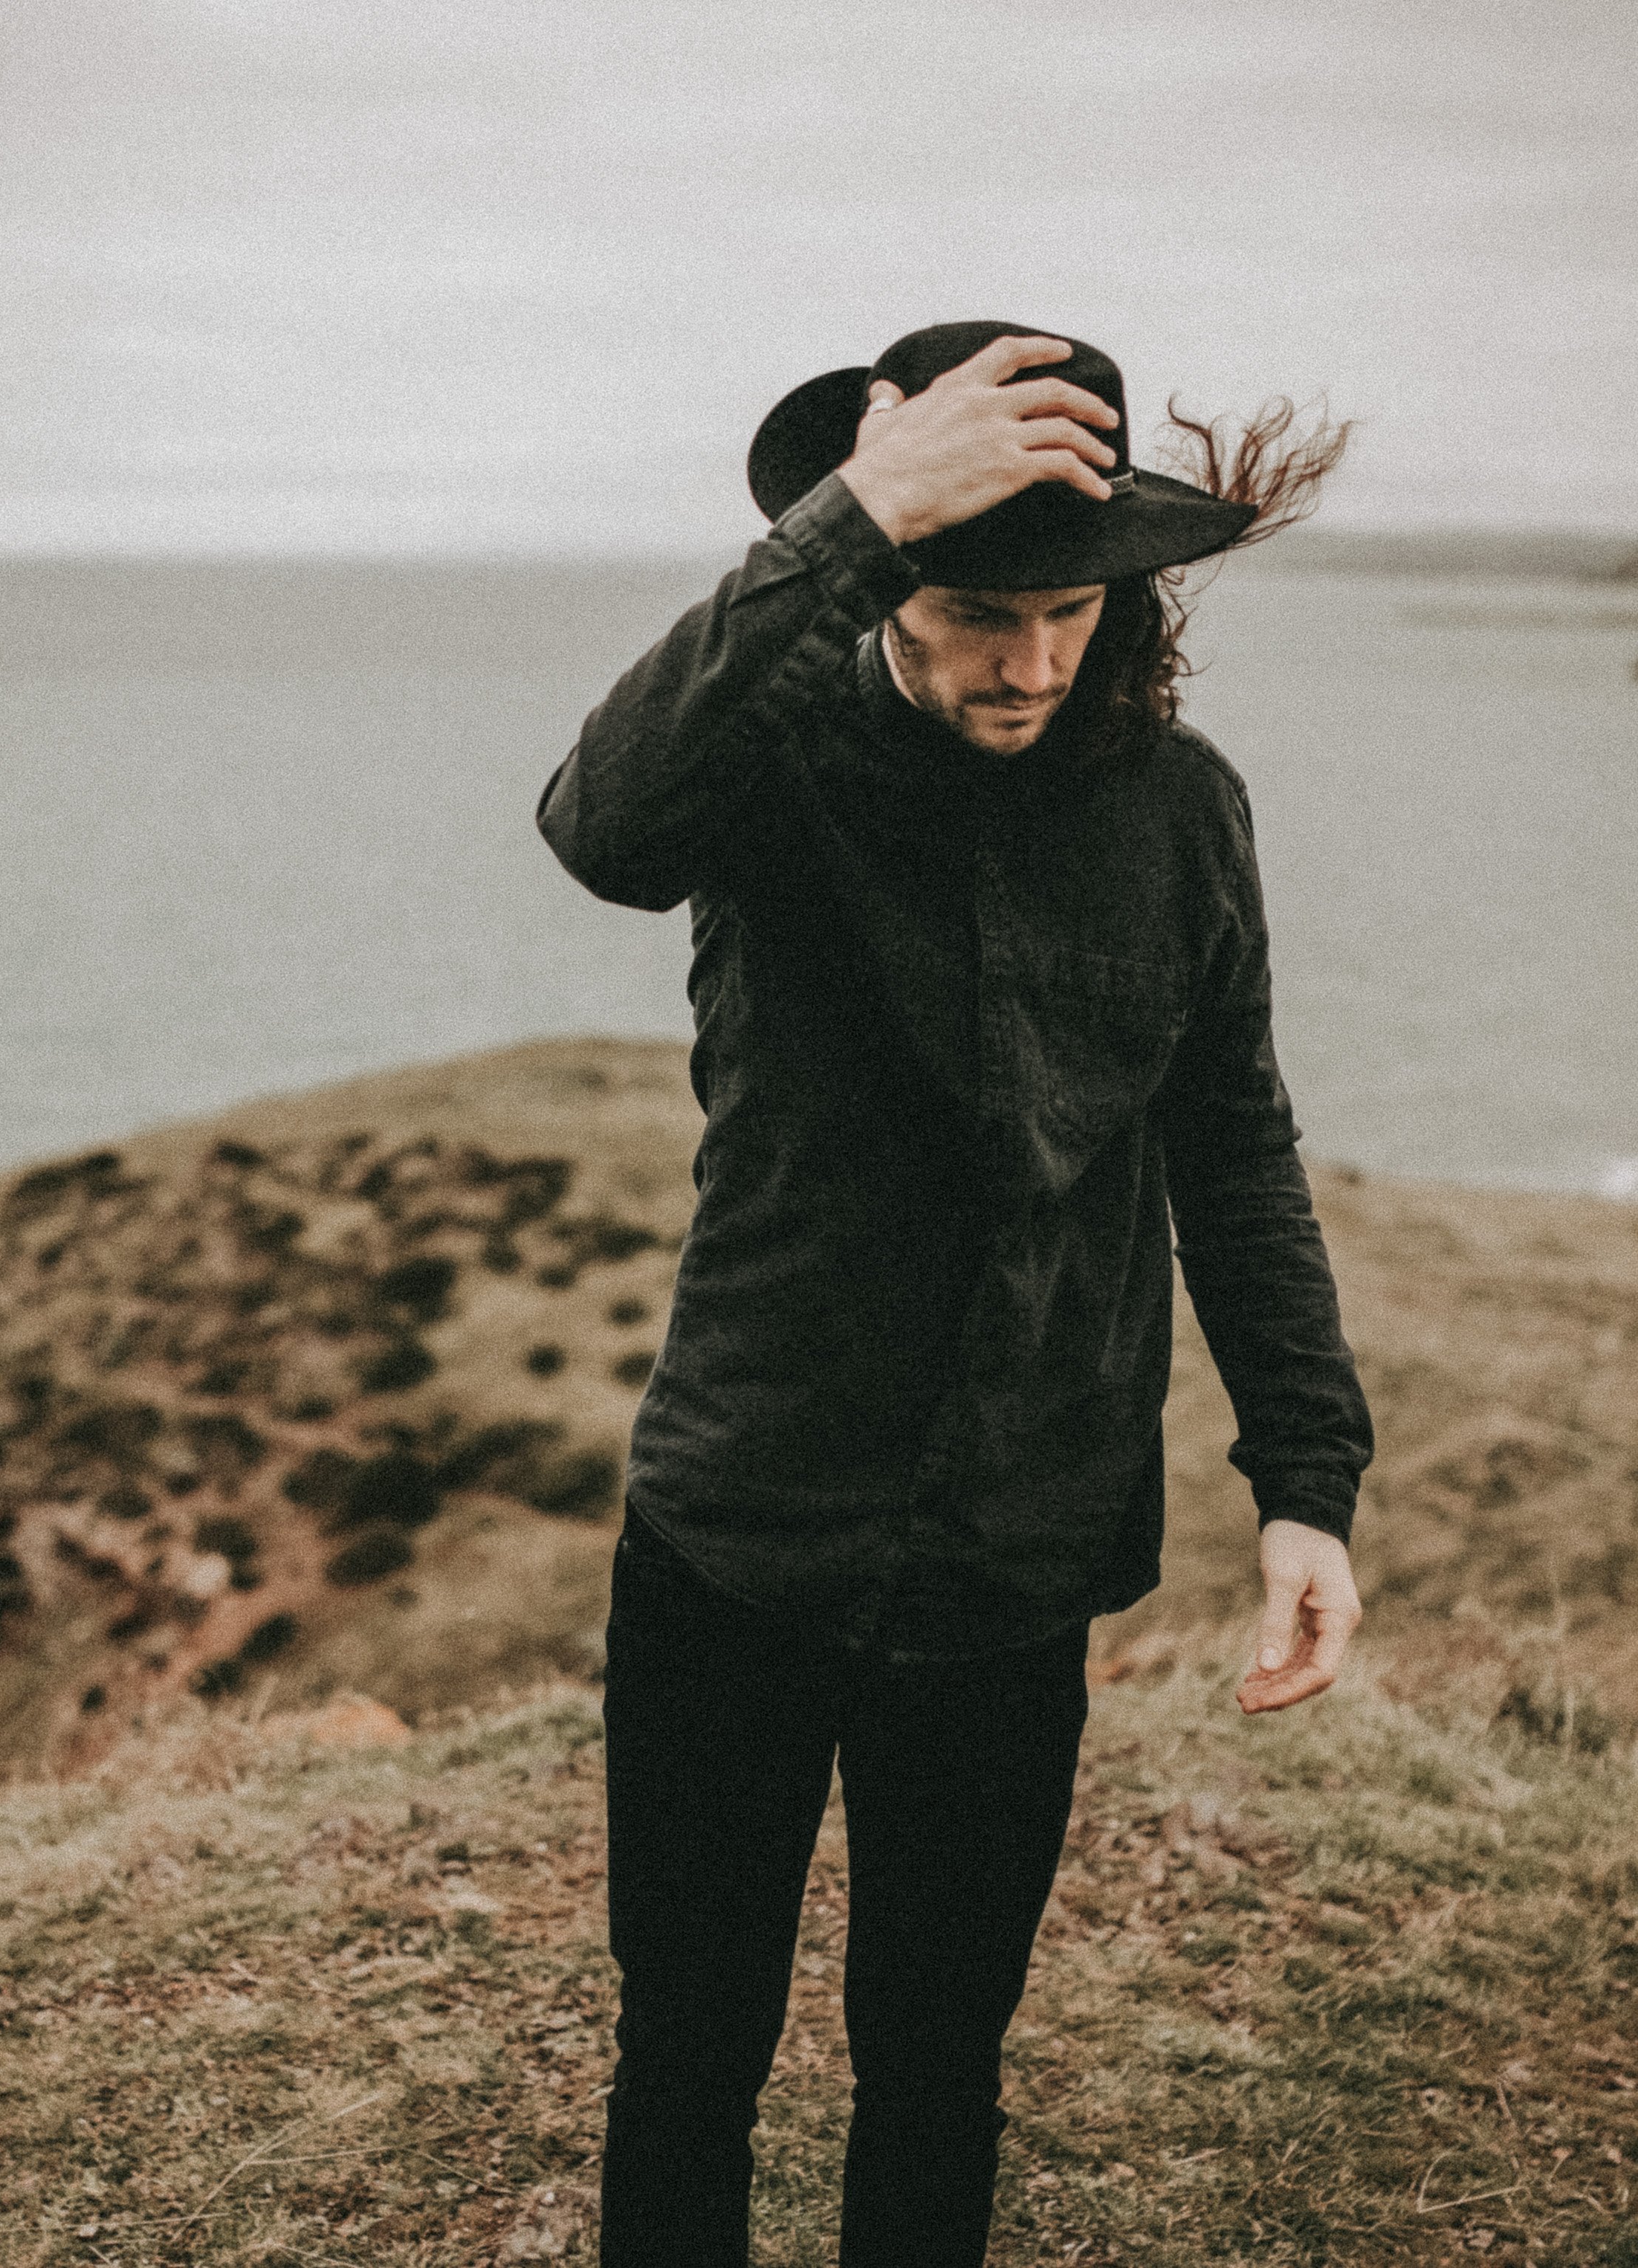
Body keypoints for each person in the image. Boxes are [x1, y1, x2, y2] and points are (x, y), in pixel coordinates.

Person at [537, 321, 1374, 2268]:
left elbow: (1234, 1149)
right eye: (978, 611)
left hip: (1021, 1548)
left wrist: (1307, 1480)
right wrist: (851, 516)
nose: (1031, 662)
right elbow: (601, 829)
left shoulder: (1184, 809)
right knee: (690, 2052)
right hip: (743, 1529)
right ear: (889, 578)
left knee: (936, 2066)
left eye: (1071, 611)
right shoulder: (765, 758)